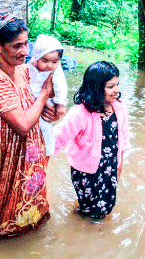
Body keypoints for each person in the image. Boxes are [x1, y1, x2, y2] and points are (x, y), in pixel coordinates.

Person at [0, 12, 57, 238]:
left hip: (27, 153)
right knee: (4, 217)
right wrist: (44, 95)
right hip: (6, 155)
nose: (25, 52)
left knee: (31, 199)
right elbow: (22, 125)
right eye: (17, 46)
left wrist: (49, 108)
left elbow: (31, 104)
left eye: (26, 43)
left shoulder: (21, 69)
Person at [53, 61, 131, 220]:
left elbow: (122, 137)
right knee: (92, 210)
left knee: (108, 204)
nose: (117, 90)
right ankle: (83, 226)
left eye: (117, 84)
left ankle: (83, 217)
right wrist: (37, 156)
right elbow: (58, 137)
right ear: (96, 87)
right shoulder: (80, 113)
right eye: (111, 86)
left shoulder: (119, 107)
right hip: (86, 170)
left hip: (110, 166)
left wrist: (119, 165)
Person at [27, 34, 68, 156]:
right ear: (37, 57)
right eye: (44, 61)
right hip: (31, 102)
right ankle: (30, 150)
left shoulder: (55, 71)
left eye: (54, 61)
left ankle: (48, 150)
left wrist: (60, 104)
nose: (49, 65)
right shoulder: (28, 67)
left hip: (47, 103)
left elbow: (61, 86)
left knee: (45, 125)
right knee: (31, 129)